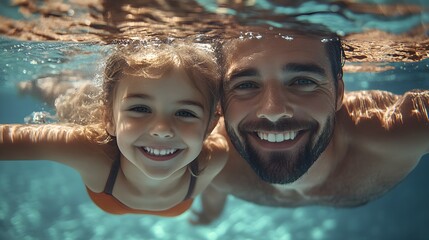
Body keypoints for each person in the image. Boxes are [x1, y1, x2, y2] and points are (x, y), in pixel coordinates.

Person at [190, 26, 429, 224]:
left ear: (339, 95)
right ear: (220, 102)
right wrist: (212, 212)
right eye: (246, 85)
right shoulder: (211, 157)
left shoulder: (398, 129)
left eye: (303, 81)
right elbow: (211, 182)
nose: (273, 111)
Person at [0, 40, 229, 217]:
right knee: (60, 97)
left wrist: (214, 208)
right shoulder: (90, 151)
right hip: (84, 110)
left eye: (185, 113)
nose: (162, 129)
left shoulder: (215, 158)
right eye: (140, 108)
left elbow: (215, 182)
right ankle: (33, 85)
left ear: (210, 125)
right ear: (108, 117)